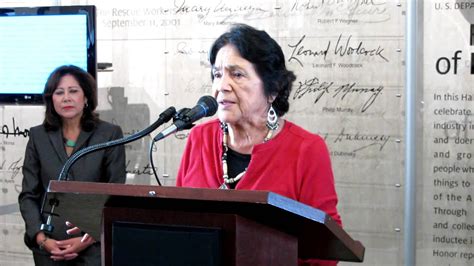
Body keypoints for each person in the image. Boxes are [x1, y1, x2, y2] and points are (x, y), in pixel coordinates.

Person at [176, 24, 341, 265]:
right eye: (217, 74)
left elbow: (323, 249)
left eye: (237, 74)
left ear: (272, 89)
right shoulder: (199, 138)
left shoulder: (306, 149)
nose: (221, 86)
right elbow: (177, 222)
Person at [18, 65, 126, 265]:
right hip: (49, 248)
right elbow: (29, 195)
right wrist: (41, 239)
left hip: (93, 247)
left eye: (73, 91)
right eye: (59, 92)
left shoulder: (109, 134)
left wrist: (87, 238)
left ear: (86, 97)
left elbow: (115, 195)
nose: (66, 98)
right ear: (52, 99)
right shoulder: (38, 136)